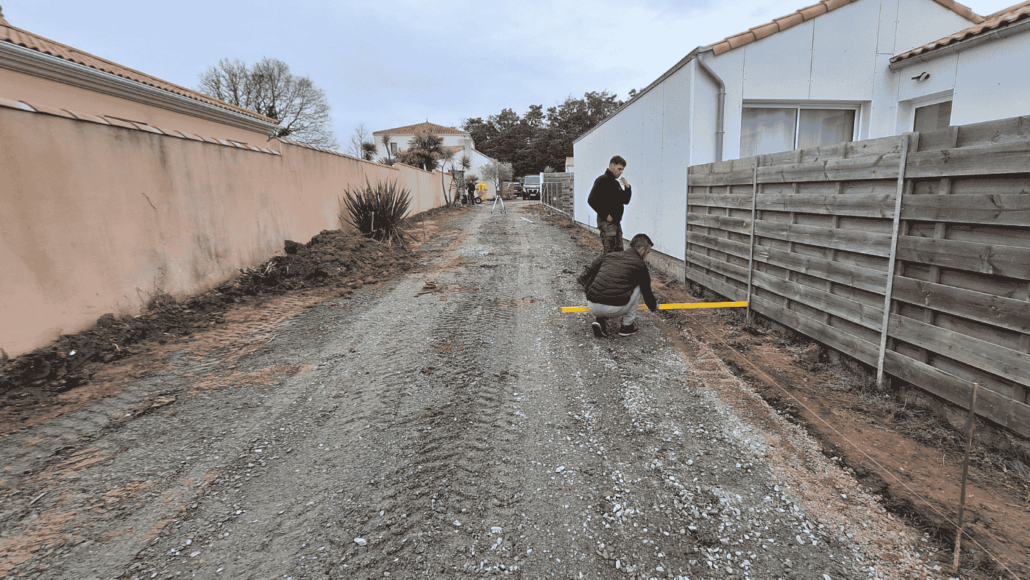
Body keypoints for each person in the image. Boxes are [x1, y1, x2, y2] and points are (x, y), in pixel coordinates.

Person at [576, 233, 658, 338]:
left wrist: (589, 293)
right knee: (638, 285)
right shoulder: (640, 265)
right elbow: (647, 292)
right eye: (647, 252)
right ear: (641, 249)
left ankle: (600, 321)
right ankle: (627, 326)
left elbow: (589, 276)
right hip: (615, 308)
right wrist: (653, 307)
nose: (646, 256)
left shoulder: (609, 255)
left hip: (592, 305)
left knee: (605, 278)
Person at [587, 155, 632, 254]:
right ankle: (597, 269)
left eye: (622, 170)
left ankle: (606, 269)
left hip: (616, 222)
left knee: (619, 251)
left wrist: (627, 188)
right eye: (619, 169)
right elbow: (591, 200)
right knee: (610, 252)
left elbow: (625, 200)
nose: (621, 172)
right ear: (612, 166)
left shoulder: (615, 183)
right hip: (607, 223)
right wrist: (606, 215)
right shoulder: (602, 180)